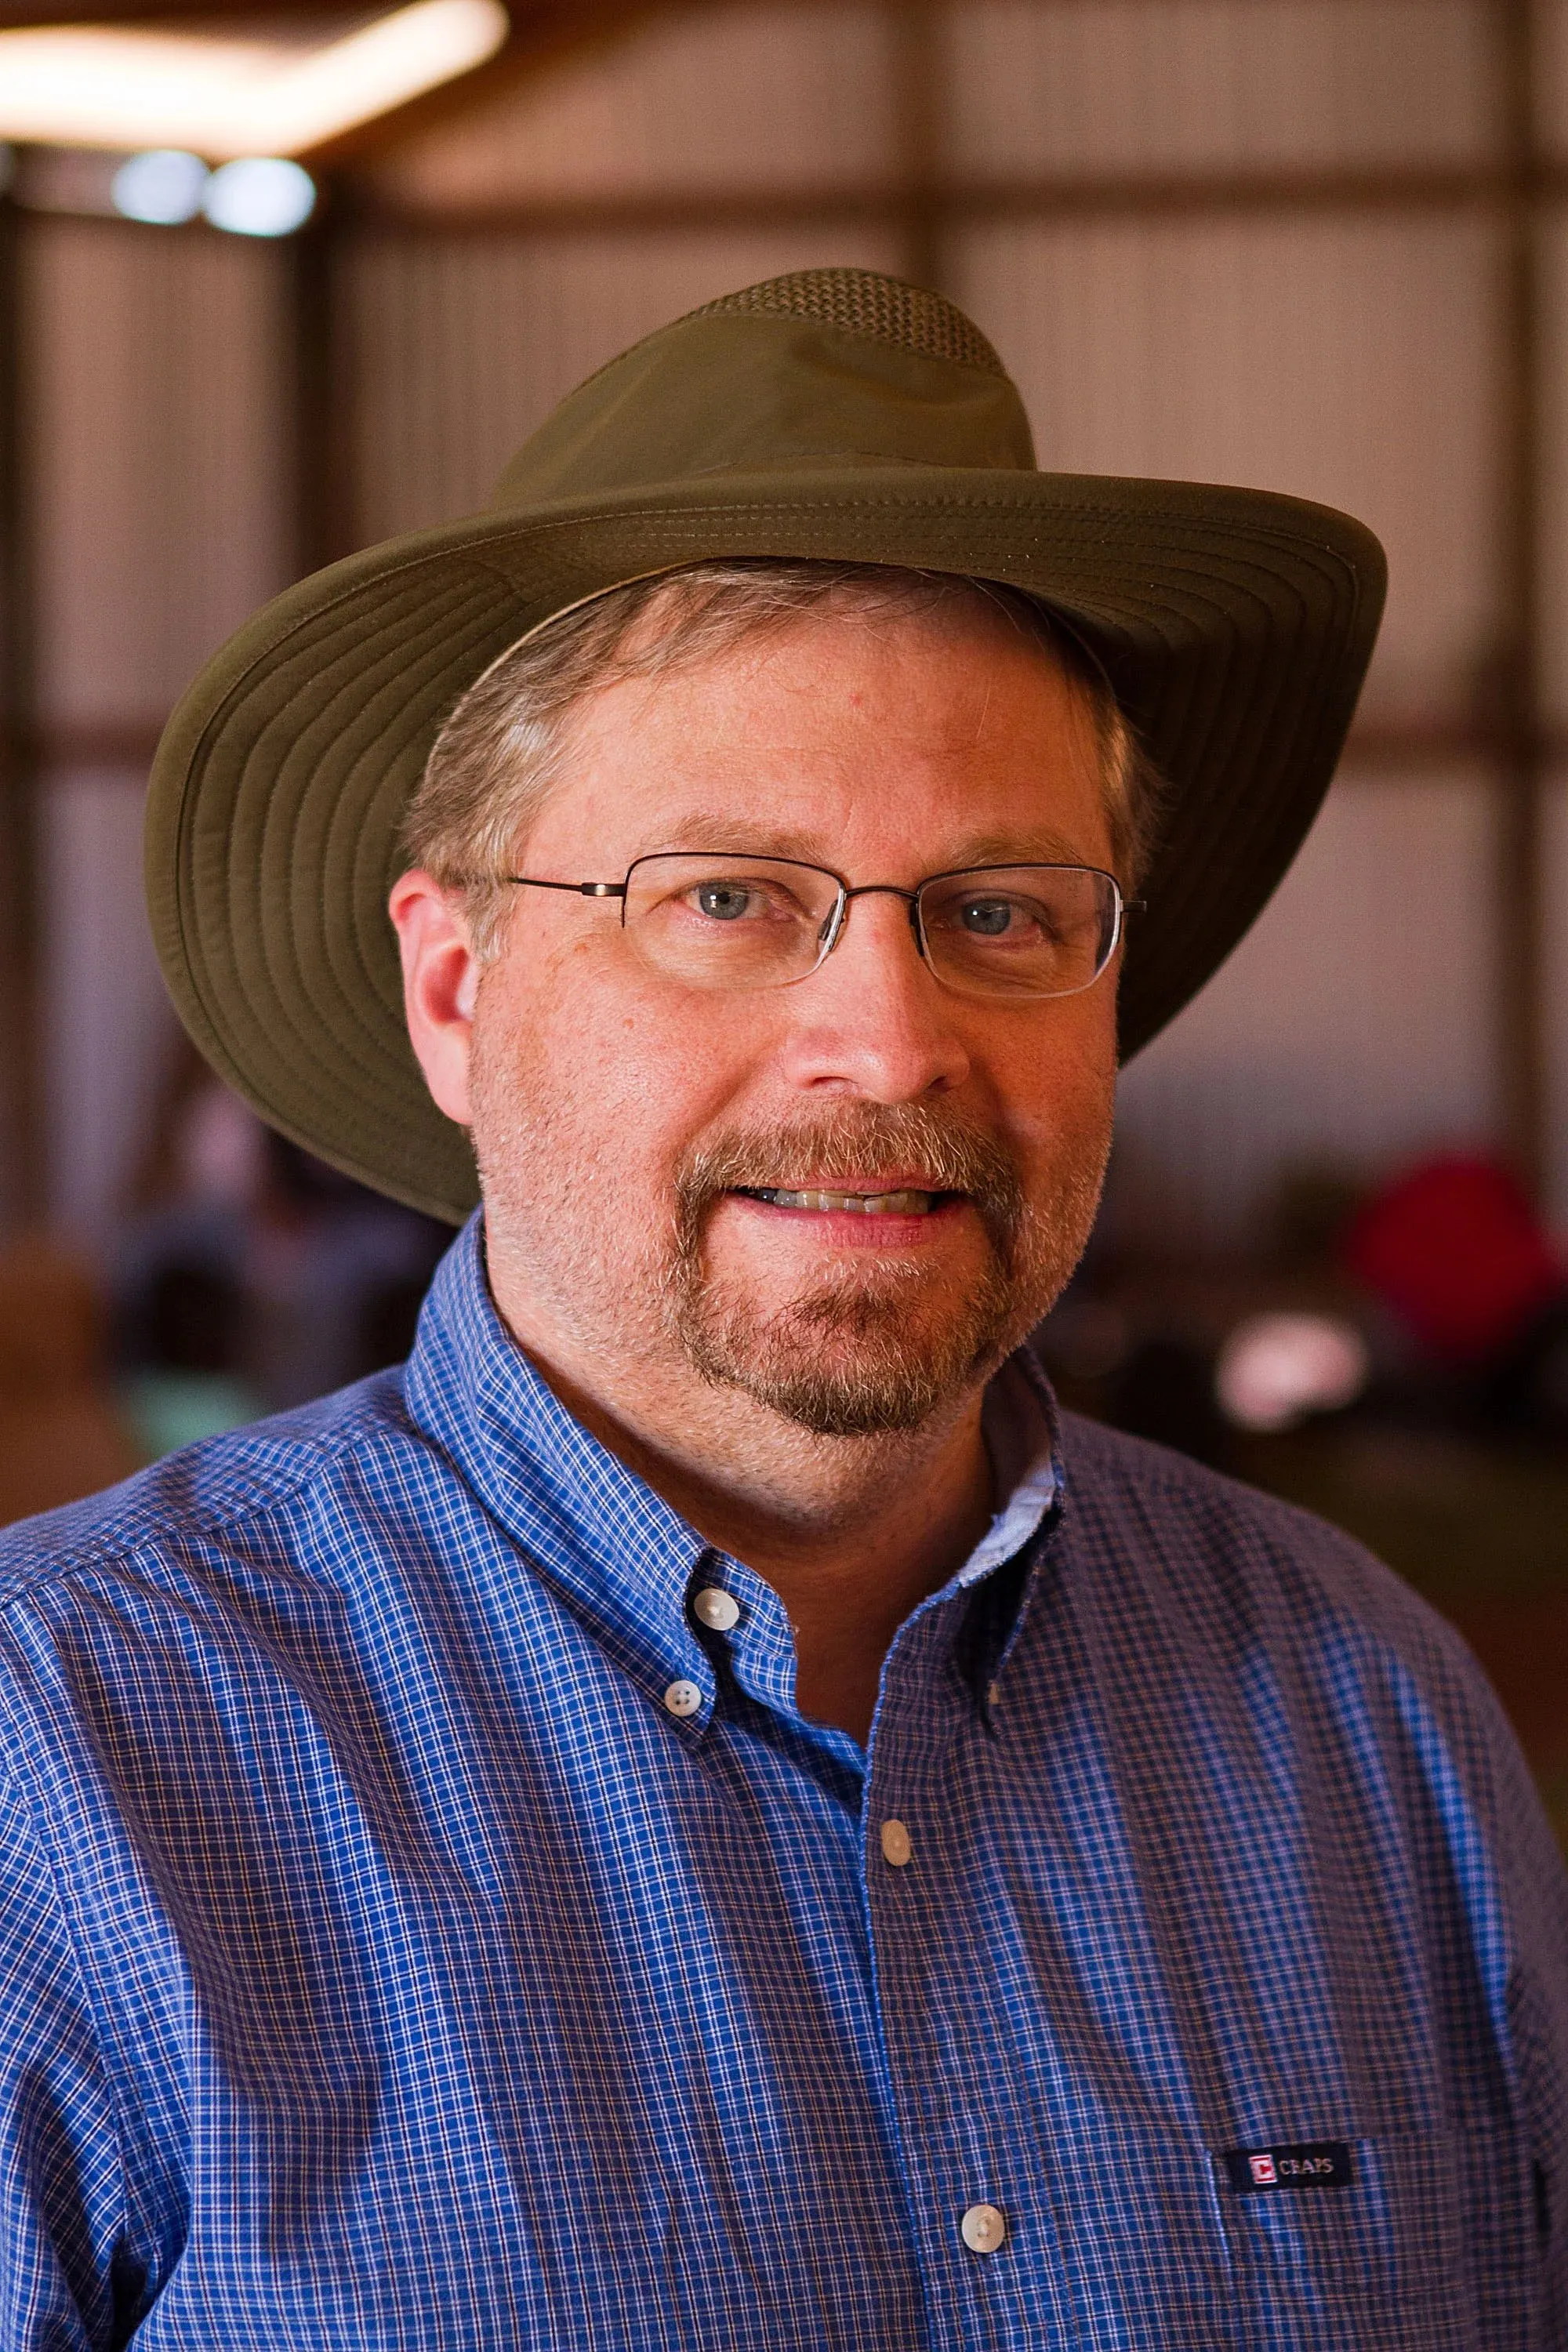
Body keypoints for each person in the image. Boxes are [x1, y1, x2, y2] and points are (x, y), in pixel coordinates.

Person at [0, 269, 1561, 2350]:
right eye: (727, 900)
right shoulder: (65, 1778)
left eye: (999, 912)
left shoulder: (1370, 1726)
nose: (891, 1044)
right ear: (460, 992)